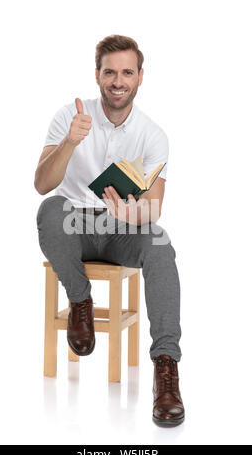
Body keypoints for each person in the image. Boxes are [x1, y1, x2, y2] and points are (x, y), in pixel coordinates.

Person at [34, 34, 184, 427]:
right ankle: (80, 300)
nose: (118, 81)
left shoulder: (153, 135)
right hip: (73, 225)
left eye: (127, 73)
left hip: (120, 227)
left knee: (160, 242)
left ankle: (166, 370)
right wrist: (70, 141)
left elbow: (155, 207)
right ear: (97, 75)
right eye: (110, 72)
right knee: (50, 209)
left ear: (140, 77)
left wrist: (132, 214)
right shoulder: (71, 116)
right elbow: (42, 184)